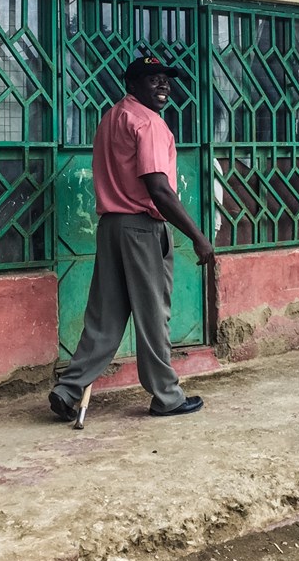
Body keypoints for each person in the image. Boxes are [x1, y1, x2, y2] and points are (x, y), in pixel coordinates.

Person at [49, 55, 215, 421]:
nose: (163, 85)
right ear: (132, 85)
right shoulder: (148, 123)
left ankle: (68, 389)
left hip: (113, 227)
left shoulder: (112, 118)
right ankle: (166, 396)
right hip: (142, 228)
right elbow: (159, 188)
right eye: (152, 79)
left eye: (166, 79)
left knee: (105, 317)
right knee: (153, 314)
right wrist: (197, 236)